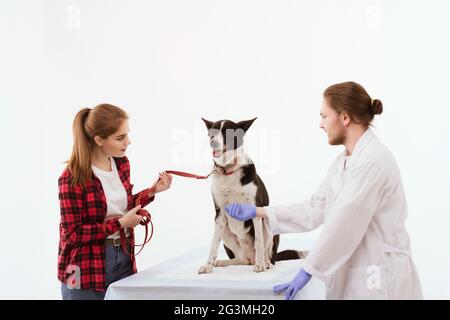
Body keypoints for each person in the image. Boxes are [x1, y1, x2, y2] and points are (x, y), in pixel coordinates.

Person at [225, 82, 423, 300]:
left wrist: (308, 269)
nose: (320, 124)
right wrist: (259, 212)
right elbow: (315, 207)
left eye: (324, 116)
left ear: (345, 117)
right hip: (361, 276)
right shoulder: (343, 162)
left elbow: (344, 223)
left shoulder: (373, 161)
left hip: (380, 279)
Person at [58, 103, 173, 300]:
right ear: (99, 140)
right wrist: (120, 224)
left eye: (127, 134)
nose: (128, 142)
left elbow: (122, 207)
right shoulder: (72, 177)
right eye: (120, 138)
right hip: (82, 267)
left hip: (123, 257)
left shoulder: (121, 164)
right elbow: (72, 234)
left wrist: (153, 191)